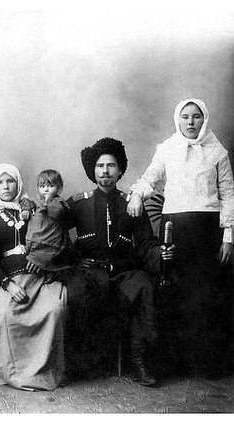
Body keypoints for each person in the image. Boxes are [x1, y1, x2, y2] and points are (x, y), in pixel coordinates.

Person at [126, 98, 234, 378]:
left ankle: (208, 364)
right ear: (178, 119)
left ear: (204, 119)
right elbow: (149, 179)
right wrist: (137, 195)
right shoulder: (166, 149)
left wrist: (227, 237)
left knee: (206, 295)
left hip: (208, 230)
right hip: (175, 228)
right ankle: (175, 364)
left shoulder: (218, 152)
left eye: (196, 116)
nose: (190, 122)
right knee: (174, 291)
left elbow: (228, 195)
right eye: (185, 116)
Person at [65, 137, 173, 387]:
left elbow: (145, 244)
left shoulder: (131, 203)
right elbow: (54, 232)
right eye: (100, 166)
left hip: (123, 272)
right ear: (93, 171)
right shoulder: (78, 203)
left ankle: (138, 362)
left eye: (111, 165)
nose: (105, 171)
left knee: (143, 286)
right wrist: (72, 259)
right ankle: (78, 363)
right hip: (90, 273)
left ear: (120, 170)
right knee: (74, 292)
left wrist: (160, 255)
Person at [0, 164, 67, 391]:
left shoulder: (34, 209)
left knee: (54, 309)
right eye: (0, 182)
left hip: (38, 277)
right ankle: (13, 371)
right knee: (4, 313)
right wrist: (8, 285)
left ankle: (42, 370)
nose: (6, 187)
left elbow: (53, 239)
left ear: (18, 183)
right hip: (5, 280)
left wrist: (43, 262)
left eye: (10, 181)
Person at [20, 169, 73, 274]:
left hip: (49, 241)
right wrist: (25, 210)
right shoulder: (36, 200)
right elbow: (28, 202)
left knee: (49, 268)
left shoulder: (59, 203)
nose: (46, 189)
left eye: (50, 186)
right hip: (33, 240)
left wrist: (46, 203)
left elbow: (56, 213)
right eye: (42, 186)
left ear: (59, 188)